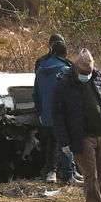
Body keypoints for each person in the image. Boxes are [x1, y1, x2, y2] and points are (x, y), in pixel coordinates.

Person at [51, 48, 101, 202]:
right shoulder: (64, 83)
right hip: (82, 136)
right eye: (83, 72)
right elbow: (58, 114)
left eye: (89, 72)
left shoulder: (97, 77)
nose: (86, 75)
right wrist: (64, 141)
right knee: (90, 175)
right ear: (75, 68)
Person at [34, 33, 75, 182]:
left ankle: (52, 172)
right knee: (66, 142)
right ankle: (68, 172)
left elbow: (36, 92)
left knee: (50, 141)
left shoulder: (40, 65)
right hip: (62, 112)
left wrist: (40, 110)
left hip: (46, 111)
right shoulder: (67, 67)